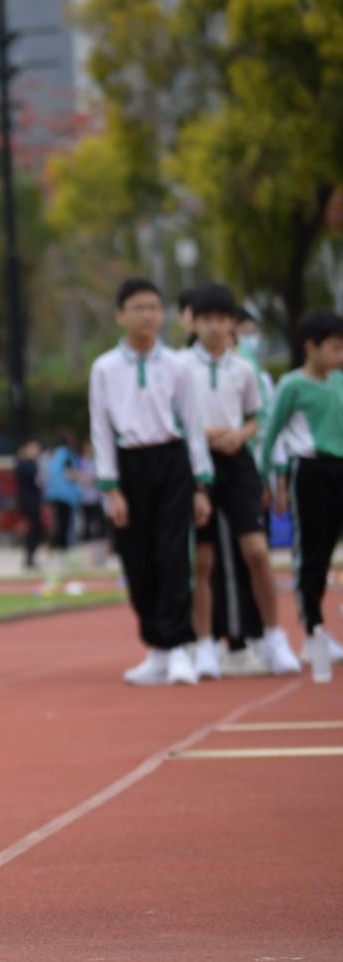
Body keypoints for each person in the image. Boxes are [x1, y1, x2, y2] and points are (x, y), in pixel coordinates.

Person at [90, 278, 214, 687]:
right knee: (137, 558)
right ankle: (157, 647)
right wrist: (110, 488)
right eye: (139, 308)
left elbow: (192, 424)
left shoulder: (177, 365)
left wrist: (200, 484)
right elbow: (100, 428)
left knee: (173, 554)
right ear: (120, 315)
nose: (148, 316)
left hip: (171, 460)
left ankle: (178, 647)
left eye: (154, 308)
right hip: (129, 465)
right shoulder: (105, 368)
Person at [183, 284, 298, 678]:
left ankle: (274, 635)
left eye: (222, 319)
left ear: (232, 323)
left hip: (237, 462)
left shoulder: (244, 369)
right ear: (194, 323)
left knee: (257, 551)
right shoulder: (182, 367)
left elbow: (257, 417)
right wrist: (205, 433)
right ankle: (205, 644)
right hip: (198, 461)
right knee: (203, 559)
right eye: (207, 319)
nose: (215, 327)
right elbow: (175, 418)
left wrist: (240, 435)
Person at [259, 310, 343, 682]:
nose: (341, 355)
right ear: (311, 347)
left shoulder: (340, 381)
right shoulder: (292, 386)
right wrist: (267, 478)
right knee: (314, 553)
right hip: (309, 471)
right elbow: (270, 433)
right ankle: (314, 632)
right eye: (335, 348)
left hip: (341, 468)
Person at [42, 431, 84, 557]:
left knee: (57, 521)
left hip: (53, 493)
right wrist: (81, 477)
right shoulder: (67, 455)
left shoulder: (54, 454)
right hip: (65, 494)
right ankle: (62, 547)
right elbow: (69, 474)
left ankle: (55, 546)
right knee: (64, 523)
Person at [14, 439, 44, 570]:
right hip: (27, 501)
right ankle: (29, 558)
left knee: (37, 530)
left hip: (34, 500)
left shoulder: (34, 463)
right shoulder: (24, 464)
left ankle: (31, 557)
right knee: (33, 529)